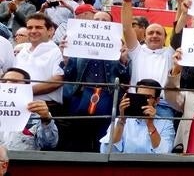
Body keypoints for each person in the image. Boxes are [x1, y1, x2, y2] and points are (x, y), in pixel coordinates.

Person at [60, 11, 131, 152]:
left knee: (103, 136)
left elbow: (125, 78)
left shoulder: (118, 46)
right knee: (78, 138)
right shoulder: (79, 43)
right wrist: (66, 58)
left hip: (108, 97)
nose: (100, 22)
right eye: (97, 19)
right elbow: (69, 75)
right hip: (80, 97)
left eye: (105, 20)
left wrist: (123, 61)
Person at [99, 79, 175, 153]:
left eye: (147, 97)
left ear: (157, 101)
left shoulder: (166, 123)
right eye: (139, 96)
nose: (143, 100)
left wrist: (150, 125)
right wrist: (121, 121)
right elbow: (106, 151)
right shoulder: (121, 121)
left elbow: (165, 153)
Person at [14, 13, 64, 112]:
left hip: (45, 108)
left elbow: (57, 81)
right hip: (18, 105)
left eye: (38, 27)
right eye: (29, 27)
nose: (33, 31)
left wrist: (23, 92)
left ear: (50, 31)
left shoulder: (58, 52)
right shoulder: (22, 51)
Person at [0, 68, 59, 151]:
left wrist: (46, 121)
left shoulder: (39, 112)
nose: (8, 84)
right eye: (4, 81)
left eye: (14, 81)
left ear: (26, 87)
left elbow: (49, 144)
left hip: (23, 163)